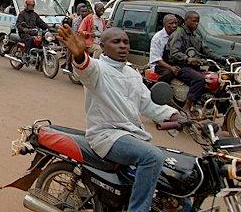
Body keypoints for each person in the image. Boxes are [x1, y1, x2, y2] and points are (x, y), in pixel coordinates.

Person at [57, 25, 179, 212]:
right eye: (116, 42)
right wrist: (80, 56)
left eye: (125, 42)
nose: (123, 46)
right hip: (107, 136)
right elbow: (85, 71)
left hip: (132, 136)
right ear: (103, 46)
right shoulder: (98, 68)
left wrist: (176, 115)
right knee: (152, 156)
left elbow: (147, 103)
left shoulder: (132, 74)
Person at [168, 11, 226, 113]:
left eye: (198, 21)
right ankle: (186, 107)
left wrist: (223, 59)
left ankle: (209, 105)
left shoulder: (196, 36)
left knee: (217, 79)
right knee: (199, 79)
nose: (196, 23)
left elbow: (207, 50)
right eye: (194, 21)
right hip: (180, 67)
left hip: (194, 67)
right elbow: (174, 53)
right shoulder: (178, 34)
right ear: (186, 21)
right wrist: (188, 59)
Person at [149, 14, 180, 83]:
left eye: (176, 23)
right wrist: (171, 68)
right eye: (171, 23)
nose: (174, 25)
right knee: (168, 73)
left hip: (171, 63)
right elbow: (157, 60)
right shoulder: (158, 38)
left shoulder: (178, 36)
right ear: (164, 24)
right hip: (159, 65)